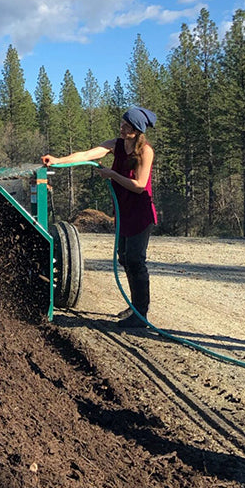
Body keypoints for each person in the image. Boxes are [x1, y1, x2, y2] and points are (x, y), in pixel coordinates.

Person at [42, 106, 158, 329]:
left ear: (136, 129)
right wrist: (57, 160)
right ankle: (136, 306)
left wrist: (112, 174)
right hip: (123, 210)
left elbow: (140, 186)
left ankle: (141, 314)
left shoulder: (145, 151)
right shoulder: (116, 144)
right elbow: (86, 155)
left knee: (135, 259)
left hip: (140, 213)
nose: (121, 128)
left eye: (126, 125)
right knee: (124, 257)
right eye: (122, 123)